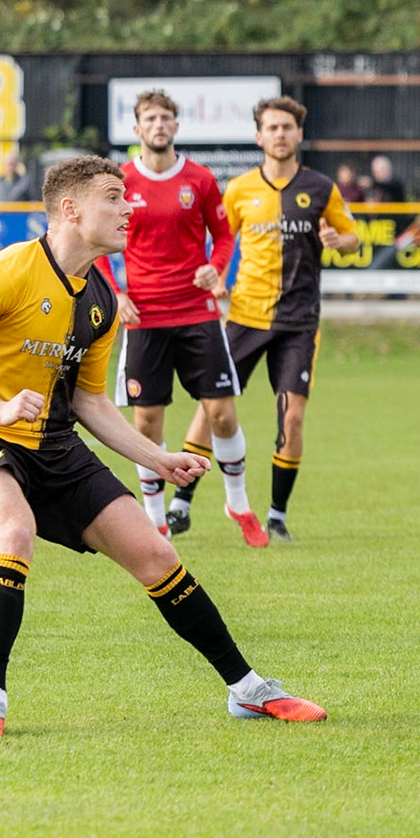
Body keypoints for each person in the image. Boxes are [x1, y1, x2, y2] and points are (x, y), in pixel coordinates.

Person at [0, 155, 325, 738]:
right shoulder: (5, 271)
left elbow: (90, 403)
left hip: (56, 445)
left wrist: (158, 459)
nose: (130, 207)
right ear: (71, 209)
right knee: (14, 533)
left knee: (157, 555)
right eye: (114, 196)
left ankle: (247, 690)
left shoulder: (101, 300)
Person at [173, 97, 359, 541]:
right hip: (244, 317)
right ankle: (181, 502)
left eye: (287, 127)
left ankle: (277, 515)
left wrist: (339, 240)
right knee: (211, 406)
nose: (280, 134)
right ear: (259, 136)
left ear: (299, 135)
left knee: (292, 418)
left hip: (298, 322)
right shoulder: (238, 190)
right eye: (272, 127)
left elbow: (352, 238)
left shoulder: (320, 188)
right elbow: (219, 241)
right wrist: (215, 277)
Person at [114, 90, 266, 548]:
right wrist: (115, 292)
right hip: (144, 316)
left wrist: (215, 268)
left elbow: (223, 236)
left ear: (176, 127)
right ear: (137, 129)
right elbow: (100, 244)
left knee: (221, 414)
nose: (158, 124)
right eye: (149, 118)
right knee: (146, 425)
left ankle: (237, 502)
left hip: (196, 312)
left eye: (165, 117)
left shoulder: (198, 179)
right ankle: (156, 522)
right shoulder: (120, 181)